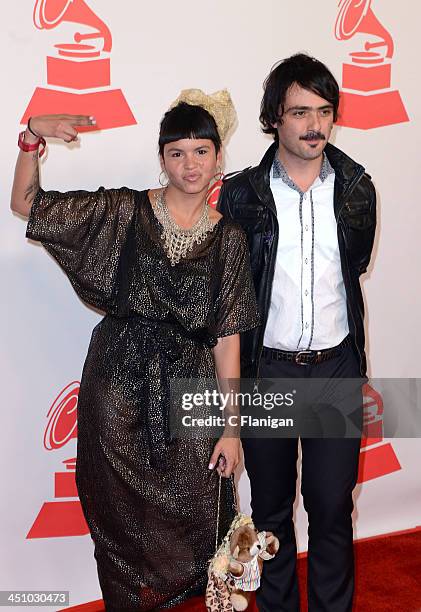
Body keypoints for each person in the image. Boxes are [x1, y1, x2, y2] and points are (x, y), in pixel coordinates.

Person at [11, 92, 260, 611]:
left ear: (218, 156)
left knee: (203, 515)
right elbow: (27, 205)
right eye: (177, 152)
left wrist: (232, 428)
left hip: (190, 388)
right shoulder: (125, 211)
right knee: (118, 521)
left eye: (201, 151)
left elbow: (228, 336)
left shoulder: (230, 239)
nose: (189, 164)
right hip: (118, 381)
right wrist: (31, 136)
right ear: (162, 158)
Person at [218, 54, 376, 611]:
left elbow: (351, 271)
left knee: (333, 506)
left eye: (325, 111)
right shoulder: (242, 195)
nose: (314, 125)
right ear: (275, 118)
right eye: (300, 112)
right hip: (270, 372)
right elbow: (233, 297)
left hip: (335, 369)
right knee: (272, 513)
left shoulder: (357, 188)